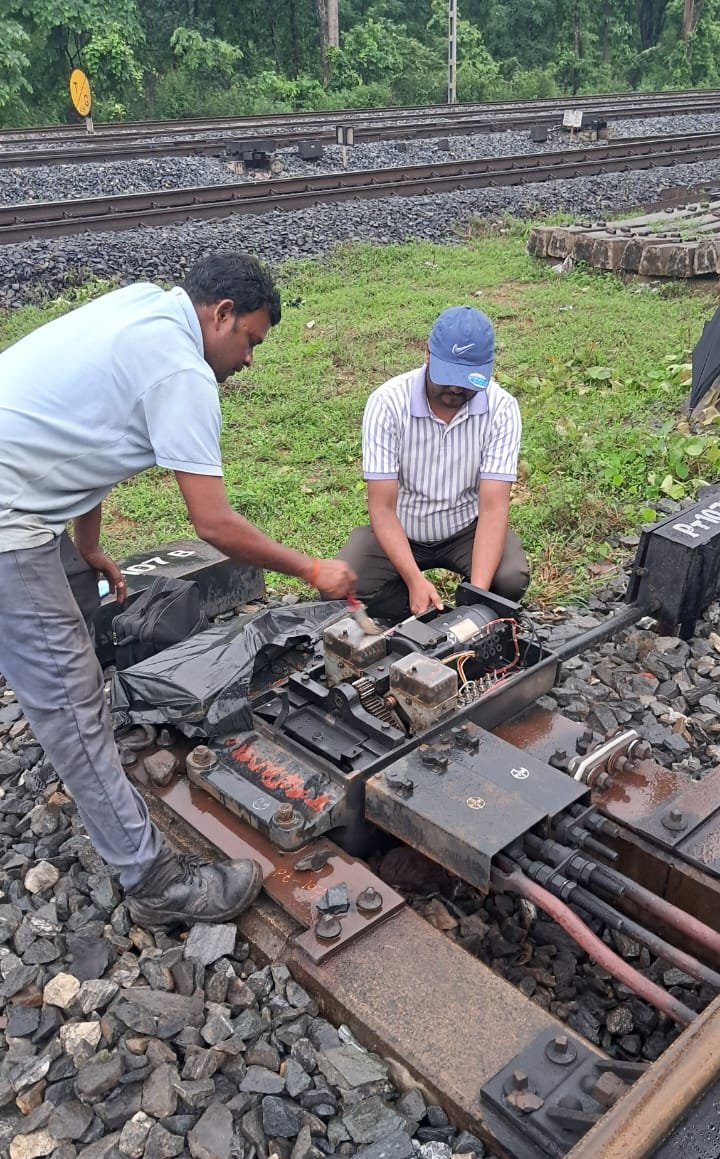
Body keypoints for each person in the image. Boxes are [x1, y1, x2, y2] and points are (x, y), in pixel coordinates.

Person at [0, 252, 355, 927]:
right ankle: (154, 882)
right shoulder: (182, 371)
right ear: (220, 315)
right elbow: (214, 523)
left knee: (75, 626)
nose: (248, 359)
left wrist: (88, 544)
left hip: (22, 491)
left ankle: (83, 752)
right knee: (72, 709)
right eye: (248, 339)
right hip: (7, 523)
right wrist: (312, 569)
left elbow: (88, 441)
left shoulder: (141, 305)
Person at [336, 305, 529, 620]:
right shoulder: (387, 403)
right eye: (447, 377)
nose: (455, 389)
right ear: (426, 353)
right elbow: (381, 508)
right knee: (347, 581)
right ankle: (422, 609)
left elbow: (494, 508)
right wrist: (414, 580)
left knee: (509, 579)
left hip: (466, 528)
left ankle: (462, 611)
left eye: (467, 381)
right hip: (403, 527)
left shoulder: (502, 409)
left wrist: (475, 602)